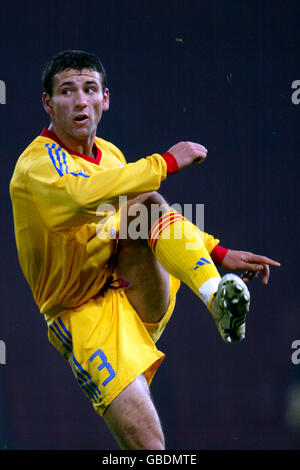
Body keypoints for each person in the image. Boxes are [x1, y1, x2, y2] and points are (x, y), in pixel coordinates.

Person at [9, 50, 280, 450]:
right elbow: (80, 198)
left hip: (129, 284)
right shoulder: (36, 166)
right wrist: (165, 161)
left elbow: (146, 214)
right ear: (48, 104)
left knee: (148, 204)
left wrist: (218, 252)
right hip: (80, 313)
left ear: (105, 99)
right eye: (67, 91)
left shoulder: (112, 156)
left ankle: (215, 299)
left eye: (89, 89)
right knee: (150, 447)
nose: (80, 101)